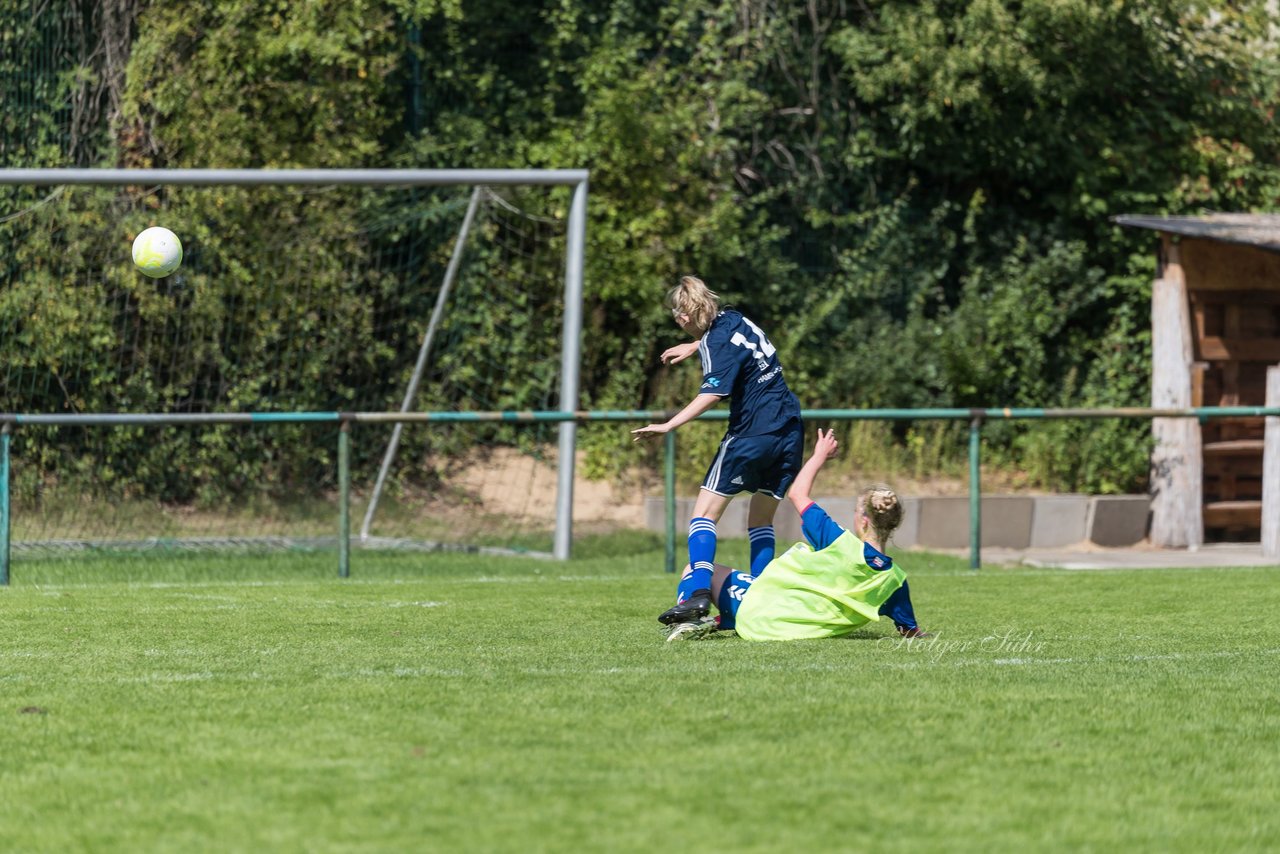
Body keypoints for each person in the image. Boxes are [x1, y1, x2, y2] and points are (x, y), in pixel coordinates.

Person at [632, 276, 804, 628]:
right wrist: (693, 346)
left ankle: (697, 593)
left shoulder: (715, 343)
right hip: (789, 430)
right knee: (760, 519)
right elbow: (731, 344)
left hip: (752, 433)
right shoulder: (735, 318)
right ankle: (766, 597)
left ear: (684, 316)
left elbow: (713, 394)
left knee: (704, 516)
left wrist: (668, 426)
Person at [665, 427, 927, 642]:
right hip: (788, 628)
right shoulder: (894, 581)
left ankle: (691, 622)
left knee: (694, 569)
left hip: (758, 615)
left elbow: (797, 494)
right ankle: (721, 619)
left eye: (857, 510)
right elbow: (910, 630)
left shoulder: (837, 541)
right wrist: (916, 633)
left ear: (865, 520)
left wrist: (819, 455)